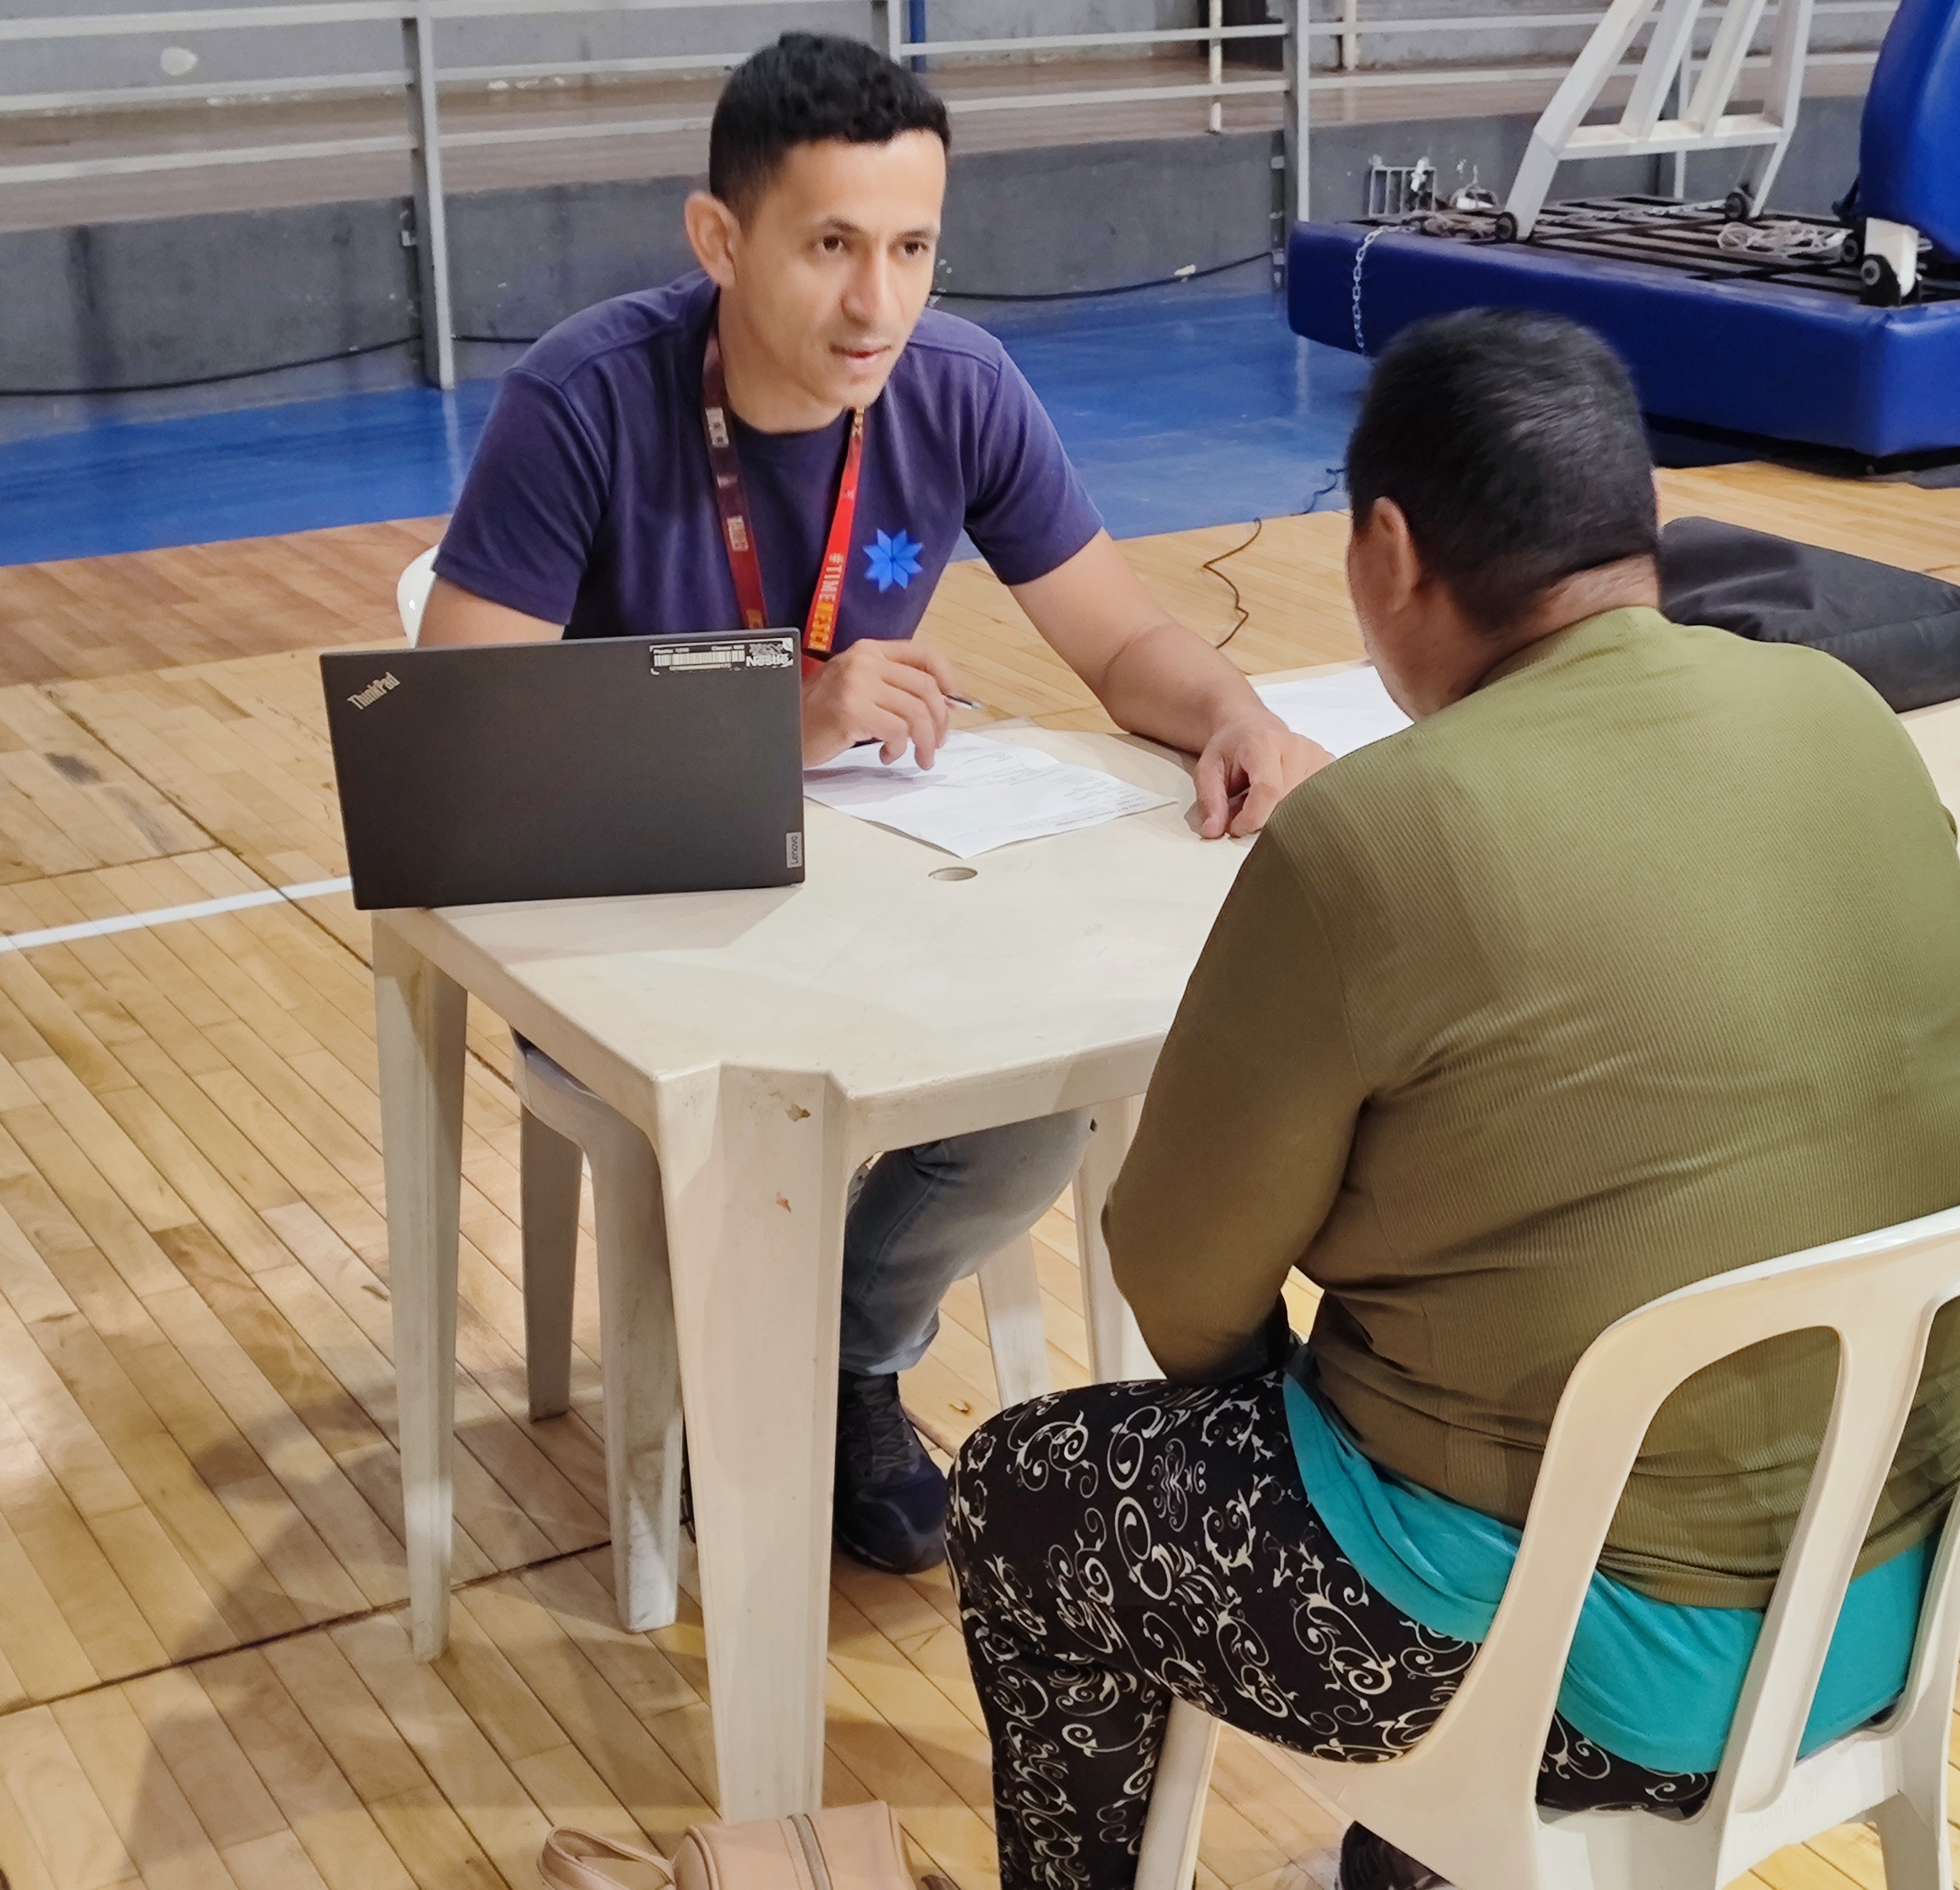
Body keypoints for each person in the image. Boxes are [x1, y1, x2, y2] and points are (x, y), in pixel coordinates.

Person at [944, 309, 1960, 1890]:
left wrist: (1282, 1398)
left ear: (1385, 551)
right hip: (1898, 1579)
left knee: (1024, 1495)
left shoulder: (1373, 833)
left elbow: (1175, 1278)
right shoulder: (1840, 712)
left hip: (1598, 1677)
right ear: (1640, 526)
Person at [420, 31, 1328, 1575]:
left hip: (880, 895)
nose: (876, 303)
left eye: (911, 249)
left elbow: (1118, 641)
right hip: (627, 912)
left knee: (1038, 1087)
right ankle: (761, 1371)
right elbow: (459, 739)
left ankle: (827, 1356)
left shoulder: (957, 385)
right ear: (720, 240)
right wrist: (778, 723)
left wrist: (1234, 711)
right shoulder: (584, 397)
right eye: (831, 246)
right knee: (771, 1106)